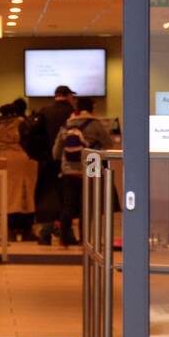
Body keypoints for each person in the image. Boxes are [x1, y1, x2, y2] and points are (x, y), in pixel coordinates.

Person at [51, 96, 112, 247]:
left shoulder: (66, 125)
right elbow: (108, 143)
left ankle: (64, 238)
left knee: (68, 205)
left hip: (68, 169)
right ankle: (85, 239)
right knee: (88, 205)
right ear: (91, 108)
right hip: (91, 165)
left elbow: (56, 152)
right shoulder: (96, 124)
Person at [25, 85, 77, 244]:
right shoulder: (72, 113)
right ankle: (67, 235)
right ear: (68, 96)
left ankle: (45, 234)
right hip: (69, 162)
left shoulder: (44, 111)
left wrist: (40, 155)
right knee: (68, 199)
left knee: (48, 197)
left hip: (47, 162)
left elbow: (31, 135)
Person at [0, 102, 38, 241]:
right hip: (28, 160)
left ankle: (11, 231)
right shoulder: (26, 124)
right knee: (28, 195)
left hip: (7, 162)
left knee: (10, 196)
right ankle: (27, 230)